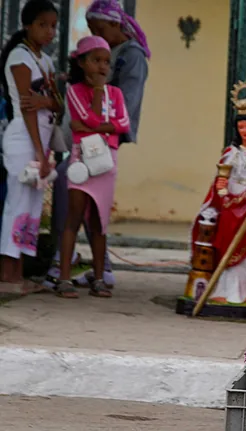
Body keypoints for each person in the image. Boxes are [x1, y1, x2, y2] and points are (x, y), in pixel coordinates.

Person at [46, 0, 150, 290]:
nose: (97, 35)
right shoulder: (93, 71)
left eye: (100, 29)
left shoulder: (131, 56)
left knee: (84, 197)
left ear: (116, 25)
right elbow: (81, 115)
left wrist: (100, 123)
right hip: (87, 143)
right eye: (92, 30)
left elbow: (123, 111)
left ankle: (78, 262)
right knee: (80, 197)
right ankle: (91, 267)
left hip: (105, 145)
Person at [186, 81, 246, 308]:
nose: (245, 131)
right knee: (226, 245)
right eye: (241, 128)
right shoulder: (231, 153)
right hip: (230, 207)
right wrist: (221, 190)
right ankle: (222, 289)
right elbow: (220, 181)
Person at [54, 36, 130, 299]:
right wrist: (97, 94)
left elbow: (123, 124)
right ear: (82, 62)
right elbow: (91, 117)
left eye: (106, 62)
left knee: (100, 222)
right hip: (82, 160)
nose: (102, 67)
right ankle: (64, 278)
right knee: (74, 217)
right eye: (96, 60)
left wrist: (89, 127)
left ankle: (99, 278)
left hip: (107, 161)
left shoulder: (116, 93)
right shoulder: (75, 91)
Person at [0, 0, 61, 293]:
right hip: (24, 139)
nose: (49, 31)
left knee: (32, 208)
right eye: (42, 25)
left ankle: (20, 272)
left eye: (53, 26)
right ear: (27, 25)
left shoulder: (45, 61)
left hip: (41, 140)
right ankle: (7, 274)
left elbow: (58, 103)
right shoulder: (19, 57)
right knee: (18, 204)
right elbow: (27, 108)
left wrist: (46, 100)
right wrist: (39, 151)